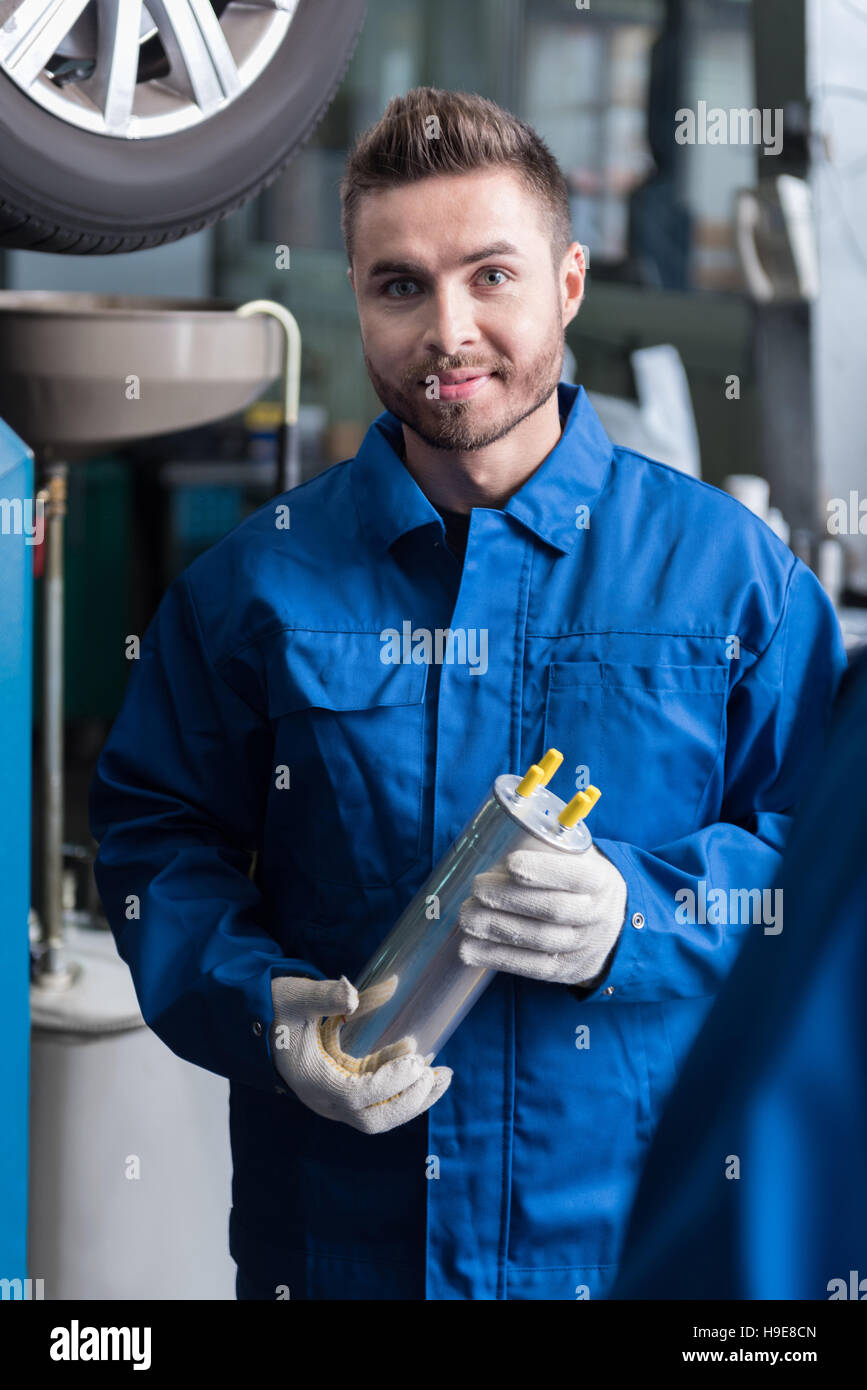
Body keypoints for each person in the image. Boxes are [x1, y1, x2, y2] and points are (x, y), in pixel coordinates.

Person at [89, 87, 846, 1301]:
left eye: (492, 276)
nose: (449, 331)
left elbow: (822, 868)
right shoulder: (255, 586)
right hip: (340, 1250)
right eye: (401, 285)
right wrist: (267, 1012)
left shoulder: (735, 581)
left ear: (570, 283)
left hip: (633, 1246)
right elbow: (153, 840)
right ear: (358, 298)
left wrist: (639, 915)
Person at [611, 646, 867, 1302]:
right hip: (369, 1215)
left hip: (605, 1198)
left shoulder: (761, 593)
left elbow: (787, 849)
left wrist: (639, 911)